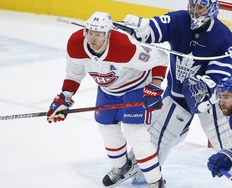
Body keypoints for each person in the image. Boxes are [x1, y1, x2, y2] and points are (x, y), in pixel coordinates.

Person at [117, 0, 232, 186]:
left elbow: (223, 71)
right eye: (192, 5)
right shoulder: (179, 20)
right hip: (177, 95)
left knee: (226, 141)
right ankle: (141, 170)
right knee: (156, 137)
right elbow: (158, 28)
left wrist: (205, 87)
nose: (194, 11)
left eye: (200, 7)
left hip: (211, 99)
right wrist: (143, 28)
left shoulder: (223, 36)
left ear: (211, 9)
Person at [46, 11, 169, 187]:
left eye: (98, 34)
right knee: (106, 128)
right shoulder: (75, 44)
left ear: (108, 34)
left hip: (135, 87)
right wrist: (65, 97)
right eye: (89, 32)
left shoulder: (124, 47)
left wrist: (155, 87)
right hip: (107, 90)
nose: (92, 38)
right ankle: (121, 167)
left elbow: (160, 59)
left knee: (135, 133)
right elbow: (74, 74)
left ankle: (156, 181)